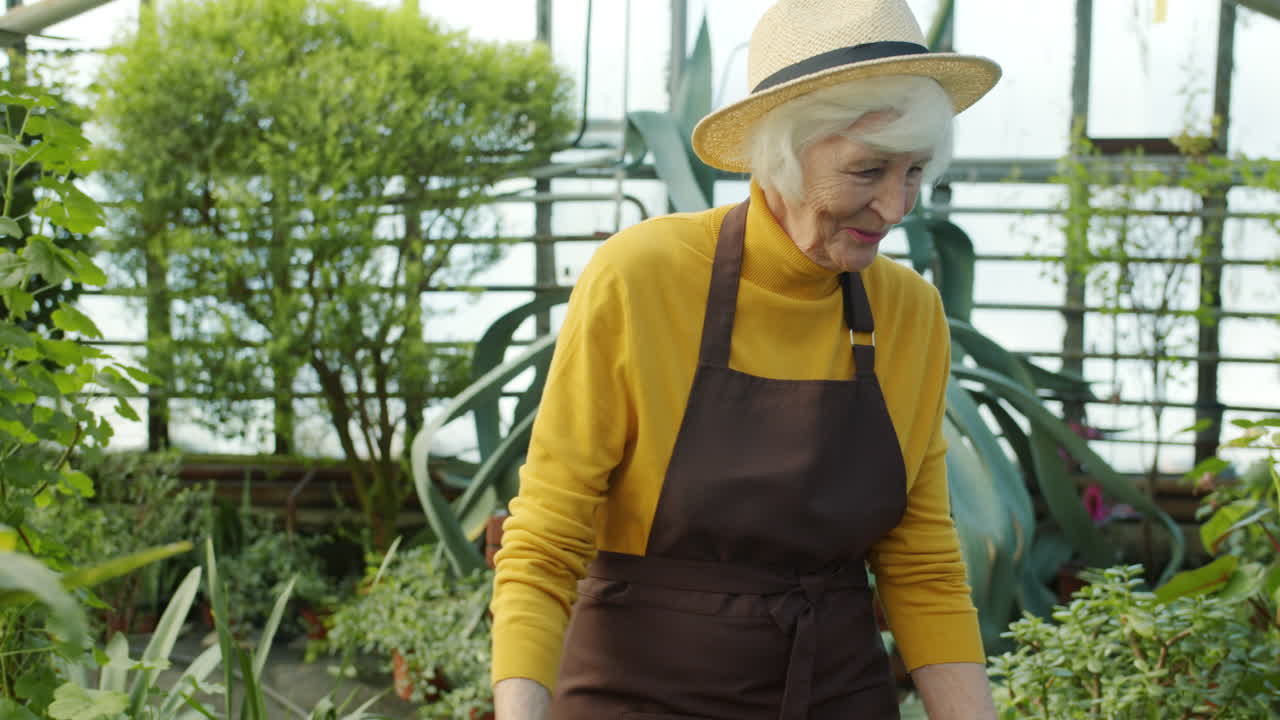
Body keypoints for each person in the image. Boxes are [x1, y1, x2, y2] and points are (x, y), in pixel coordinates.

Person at [491, 0, 1002, 717]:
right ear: (781, 156)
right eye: (867, 171)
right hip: (637, 697)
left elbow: (921, 565)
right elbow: (546, 540)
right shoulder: (644, 277)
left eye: (915, 172)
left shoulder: (909, 313)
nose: (894, 207)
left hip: (836, 692)